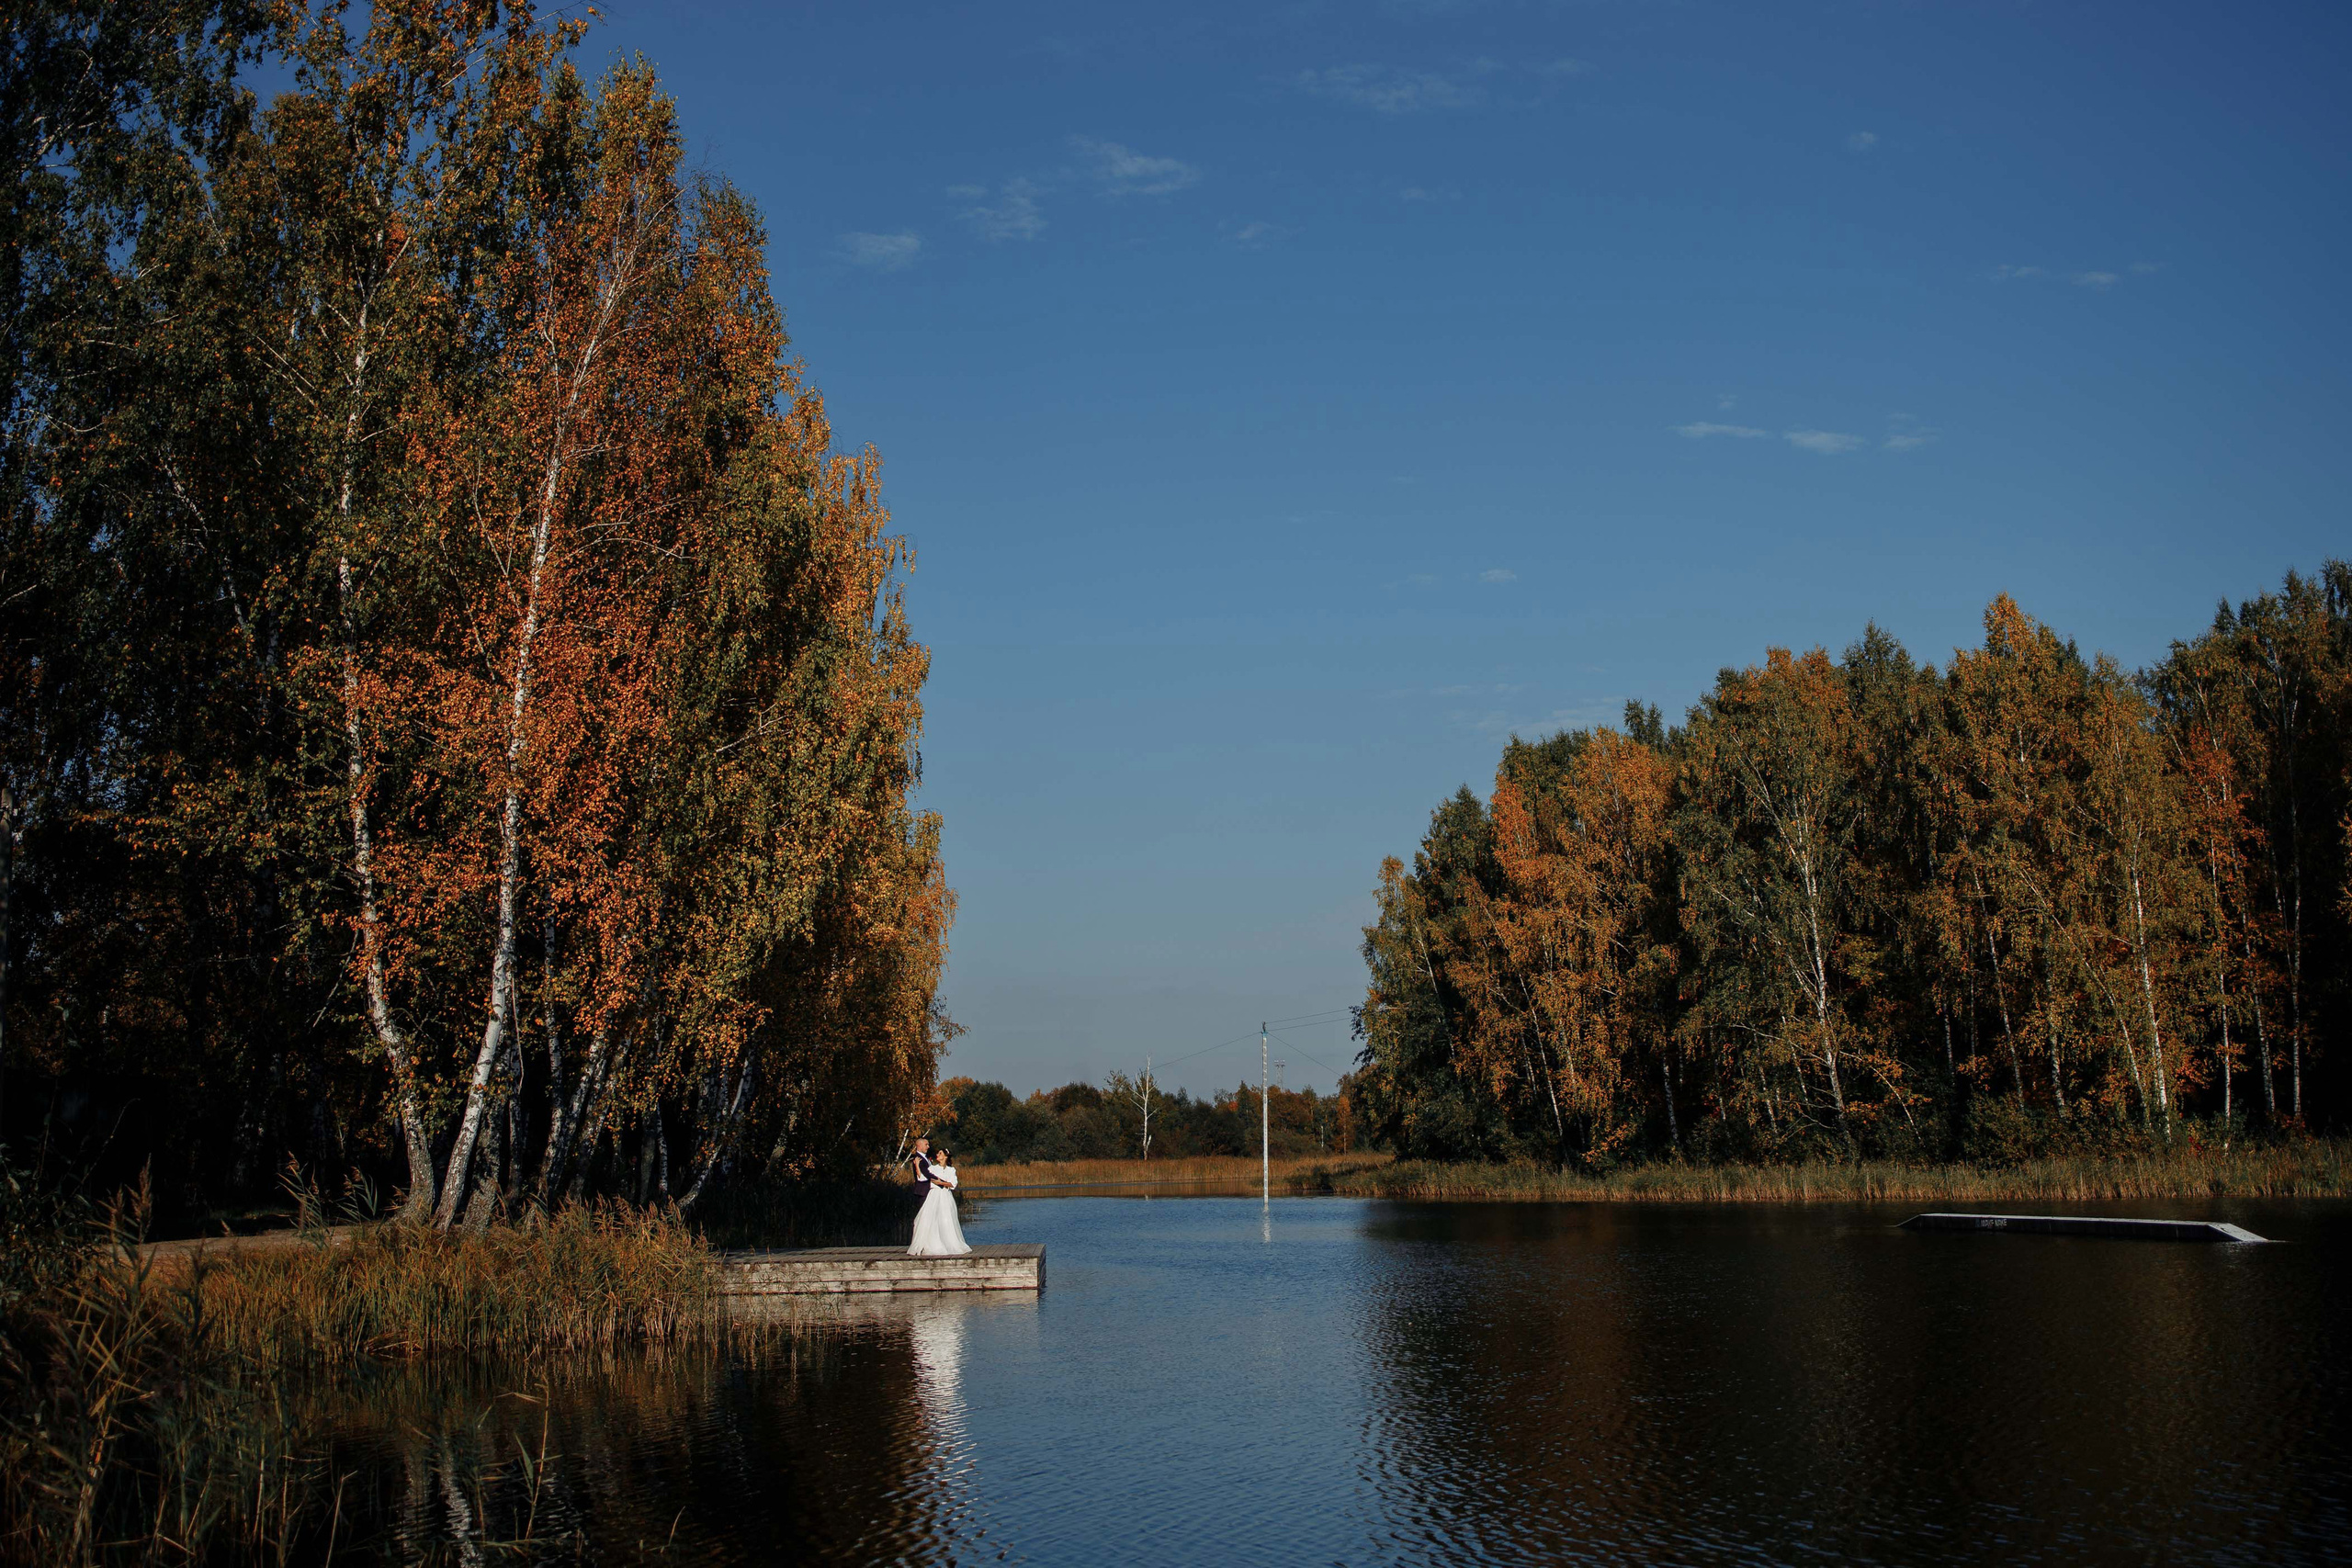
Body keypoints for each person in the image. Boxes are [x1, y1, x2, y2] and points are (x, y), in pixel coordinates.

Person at [909, 1145, 972, 1257]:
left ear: (945, 1157)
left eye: (940, 1154)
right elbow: (921, 1178)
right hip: (933, 1195)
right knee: (929, 1219)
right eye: (938, 1153)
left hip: (945, 1196)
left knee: (946, 1219)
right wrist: (917, 1166)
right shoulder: (933, 1168)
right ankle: (933, 1244)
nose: (937, 1155)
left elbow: (953, 1184)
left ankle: (949, 1243)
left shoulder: (951, 1170)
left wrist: (941, 1183)